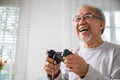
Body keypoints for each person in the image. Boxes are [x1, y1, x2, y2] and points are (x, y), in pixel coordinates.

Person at [44, 5, 120, 80]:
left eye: (88, 16)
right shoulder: (74, 53)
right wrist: (55, 74)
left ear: (101, 24)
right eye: (77, 18)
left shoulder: (117, 51)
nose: (81, 22)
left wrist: (86, 72)